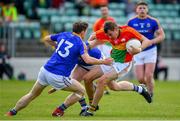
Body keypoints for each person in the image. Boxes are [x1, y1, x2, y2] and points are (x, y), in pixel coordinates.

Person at [6, 21, 113, 117]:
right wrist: (104, 61)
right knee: (80, 91)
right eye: (85, 31)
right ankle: (59, 110)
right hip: (58, 75)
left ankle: (13, 111)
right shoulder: (80, 43)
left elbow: (46, 38)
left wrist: (57, 46)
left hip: (45, 70)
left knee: (32, 94)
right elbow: (88, 59)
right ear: (82, 32)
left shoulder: (64, 34)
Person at [82, 21, 153, 116]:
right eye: (108, 35)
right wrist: (87, 47)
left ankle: (91, 109)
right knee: (89, 79)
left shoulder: (129, 31)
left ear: (116, 29)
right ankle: (140, 89)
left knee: (101, 81)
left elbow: (147, 41)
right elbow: (93, 36)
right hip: (111, 60)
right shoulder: (106, 32)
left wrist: (139, 49)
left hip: (123, 64)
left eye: (111, 34)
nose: (109, 37)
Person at [127, 1, 165, 97]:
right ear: (136, 10)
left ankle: (150, 94)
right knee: (140, 78)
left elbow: (162, 36)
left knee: (148, 75)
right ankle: (146, 89)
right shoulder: (131, 22)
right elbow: (126, 35)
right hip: (137, 51)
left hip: (150, 50)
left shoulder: (153, 21)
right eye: (140, 8)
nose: (142, 10)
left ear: (147, 10)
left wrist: (150, 42)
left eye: (144, 8)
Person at [93, 5, 116, 94]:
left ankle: (104, 84)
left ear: (108, 11)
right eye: (102, 10)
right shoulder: (98, 23)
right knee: (103, 64)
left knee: (109, 65)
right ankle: (103, 86)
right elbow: (96, 35)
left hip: (110, 46)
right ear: (101, 12)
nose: (104, 12)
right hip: (101, 46)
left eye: (105, 10)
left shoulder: (112, 21)